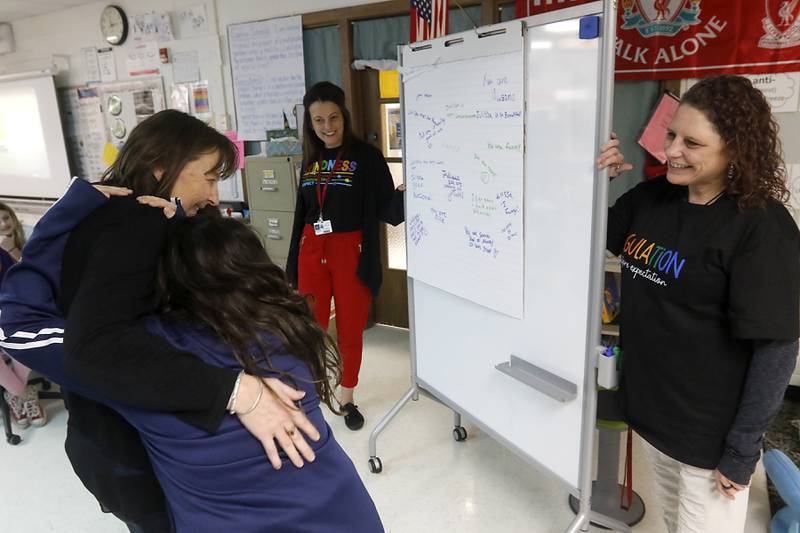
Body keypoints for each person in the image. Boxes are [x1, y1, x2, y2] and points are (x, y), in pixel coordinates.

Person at [0, 111, 319, 533]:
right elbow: (46, 334)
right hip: (138, 450)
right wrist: (235, 390)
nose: (212, 193)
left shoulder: (135, 221)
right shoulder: (134, 224)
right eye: (207, 177)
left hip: (128, 446)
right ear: (161, 167)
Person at [6, 199, 384, 532]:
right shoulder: (287, 327)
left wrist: (73, 206)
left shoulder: (132, 363)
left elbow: (17, 322)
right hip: (348, 517)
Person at [598, 74, 800, 533]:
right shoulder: (652, 199)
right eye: (671, 134)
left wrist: (742, 447)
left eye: (692, 142)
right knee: (673, 523)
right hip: (652, 413)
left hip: (708, 436)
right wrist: (593, 181)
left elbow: (776, 348)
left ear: (735, 150)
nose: (671, 151)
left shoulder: (761, 228)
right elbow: (592, 235)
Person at [287, 81, 405, 430]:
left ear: (344, 116)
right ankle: (309, 391)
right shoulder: (310, 157)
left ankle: (347, 395)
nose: (327, 126)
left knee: (350, 329)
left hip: (351, 250)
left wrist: (405, 192)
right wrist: (293, 261)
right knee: (310, 326)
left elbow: (387, 207)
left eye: (333, 117)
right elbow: (302, 213)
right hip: (312, 248)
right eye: (319, 120)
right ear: (310, 123)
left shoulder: (366, 156)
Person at [0, 202, 45, 428]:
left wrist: (11, 250)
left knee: (22, 341)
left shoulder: (28, 237)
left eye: (6, 218)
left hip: (23, 308)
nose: (3, 224)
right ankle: (25, 393)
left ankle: (16, 395)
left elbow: (35, 275)